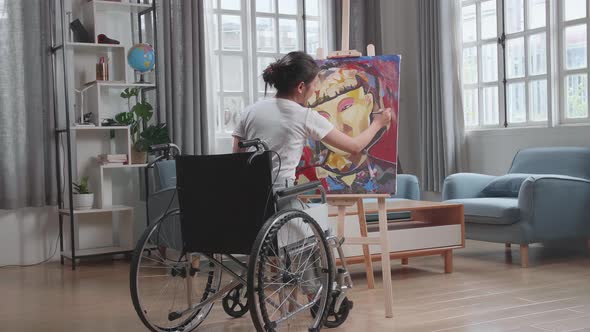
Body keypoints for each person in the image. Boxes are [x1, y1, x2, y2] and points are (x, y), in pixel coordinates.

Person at [232, 51, 392, 196]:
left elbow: (236, 156)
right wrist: (378, 123)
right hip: (281, 194)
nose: (316, 90)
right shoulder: (304, 116)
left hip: (249, 192)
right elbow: (354, 147)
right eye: (315, 84)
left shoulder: (250, 111)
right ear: (301, 87)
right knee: (315, 226)